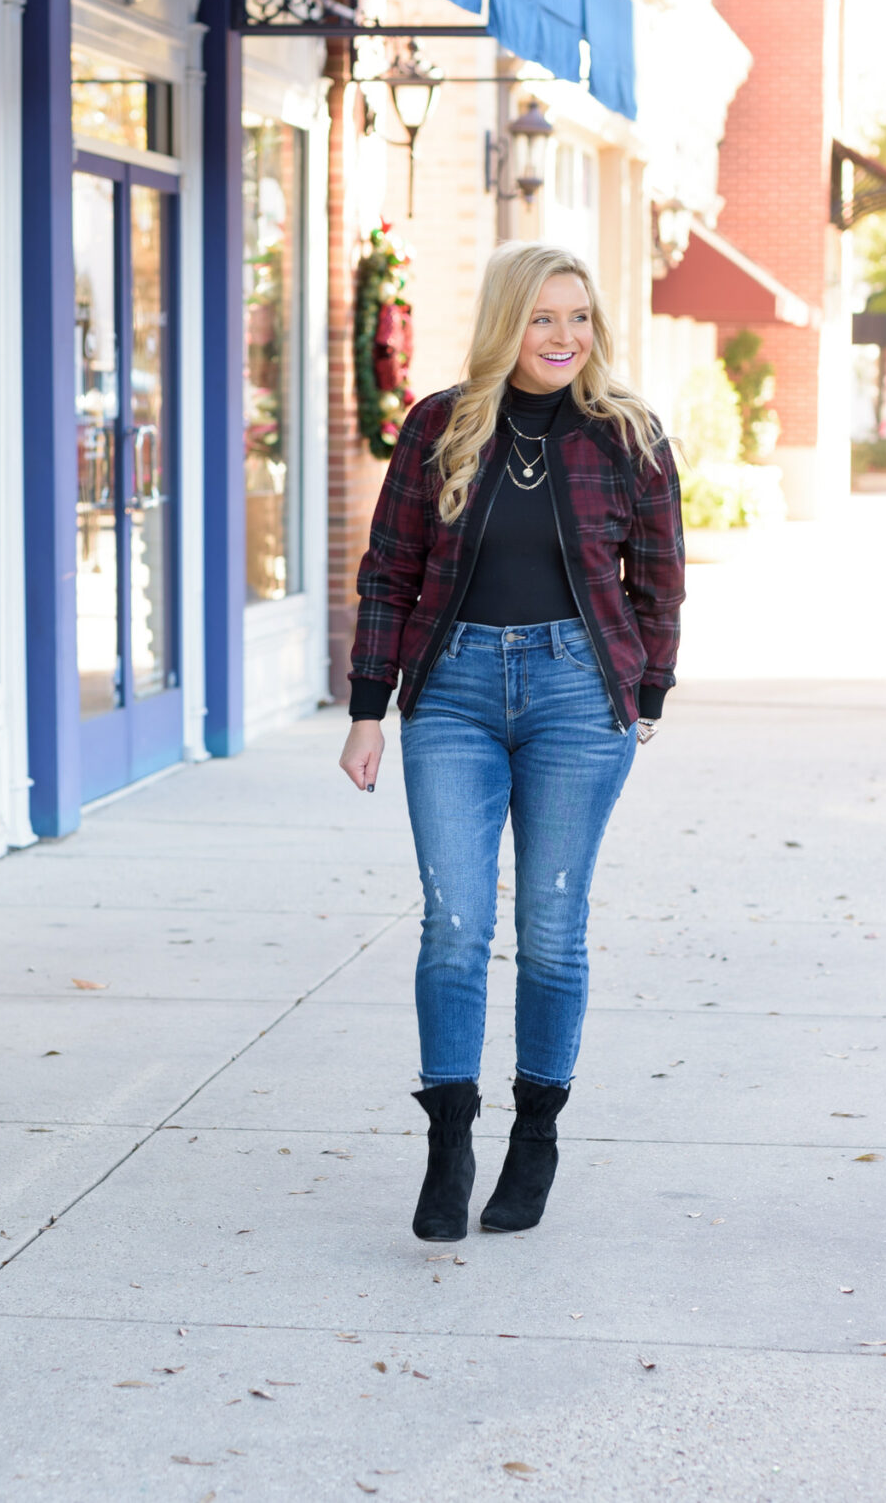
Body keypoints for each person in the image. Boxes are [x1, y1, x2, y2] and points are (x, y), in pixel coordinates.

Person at [338, 240, 685, 1241]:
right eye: (542, 317)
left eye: (578, 316)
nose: (564, 336)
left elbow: (659, 578)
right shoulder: (440, 426)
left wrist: (646, 689)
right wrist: (369, 706)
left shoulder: (628, 435)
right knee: (452, 924)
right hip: (451, 695)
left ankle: (535, 1136)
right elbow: (388, 570)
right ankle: (450, 1142)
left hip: (578, 696)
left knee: (551, 927)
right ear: (506, 324)